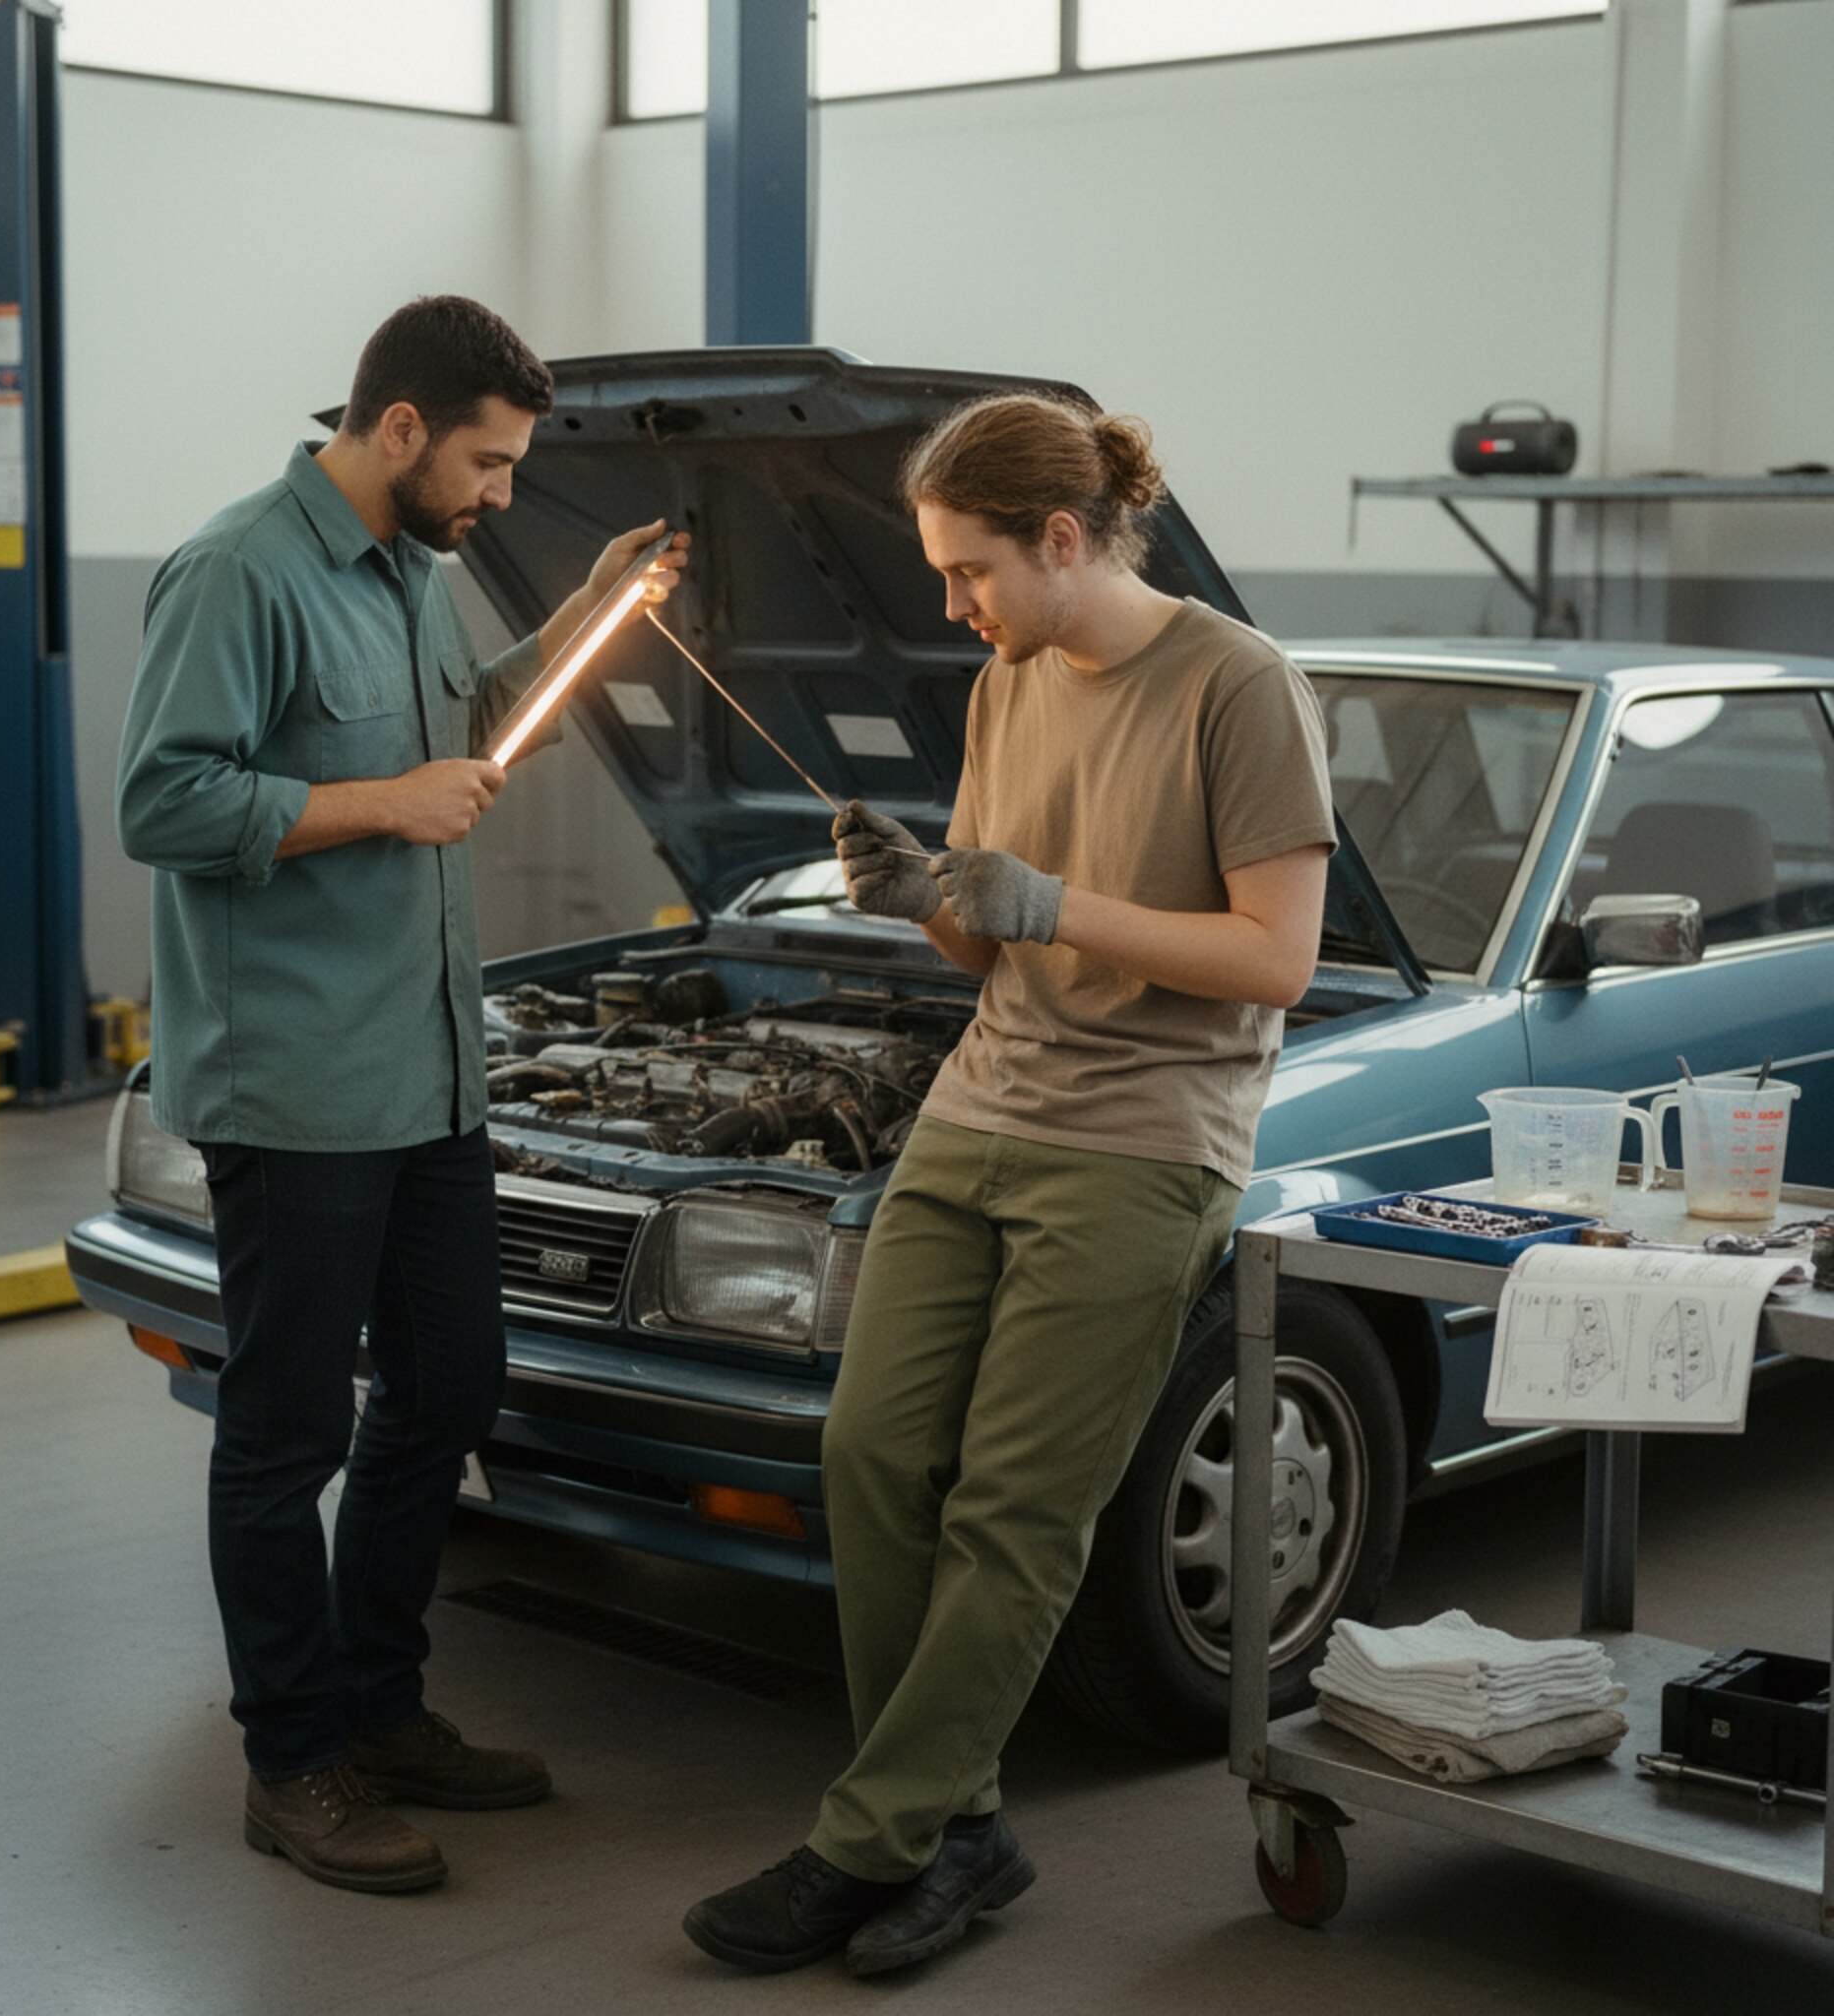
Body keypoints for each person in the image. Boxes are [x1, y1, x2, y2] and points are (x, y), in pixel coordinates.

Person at [684, 392, 1334, 1976]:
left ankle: (866, 1842)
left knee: (1016, 1509)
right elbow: (987, 945)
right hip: (983, 1108)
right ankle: (958, 1823)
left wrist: (1053, 903)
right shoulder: (1006, 684)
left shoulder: (1239, 687)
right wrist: (920, 891)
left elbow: (1277, 960)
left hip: (1146, 1137)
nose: (951, 604)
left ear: (1060, 538)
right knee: (871, 1451)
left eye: (969, 570)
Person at [116, 295, 686, 1895]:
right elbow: (163, 801)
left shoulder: (415, 572)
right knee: (285, 1431)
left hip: (427, 1069)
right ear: (400, 427)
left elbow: (467, 738)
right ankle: (294, 1761)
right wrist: (379, 804)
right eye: (490, 465)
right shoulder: (239, 570)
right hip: (296, 1082)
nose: (501, 494)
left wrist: (582, 616)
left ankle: (381, 1705)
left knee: (448, 1388)